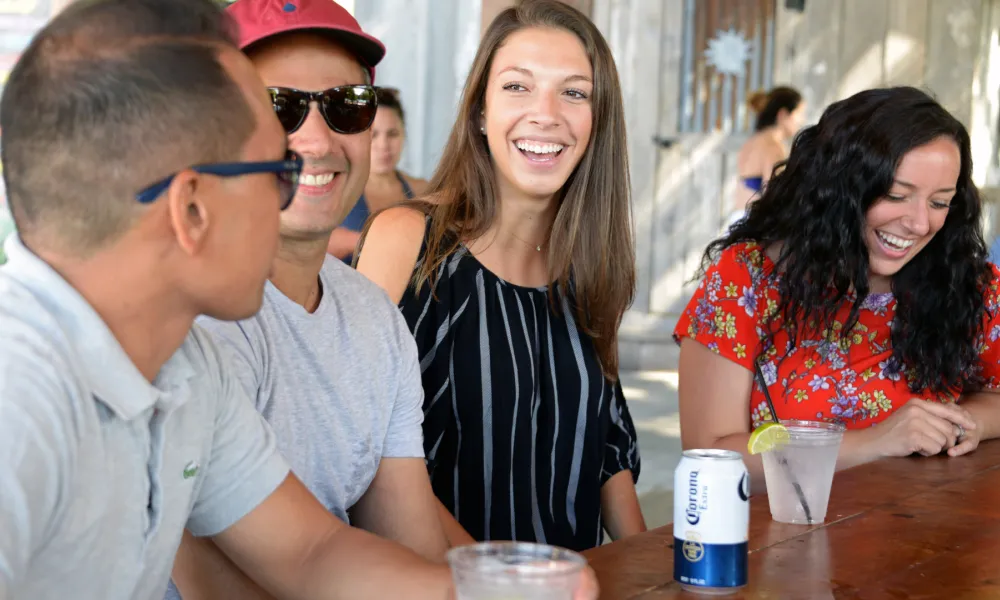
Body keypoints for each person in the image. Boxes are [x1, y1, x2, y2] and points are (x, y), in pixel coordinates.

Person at [0, 0, 457, 597]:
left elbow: (312, 552)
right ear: (191, 208)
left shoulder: (187, 365)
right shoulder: (19, 396)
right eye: (275, 171)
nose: (305, 163)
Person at [167, 1, 453, 597]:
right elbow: (212, 584)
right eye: (279, 106)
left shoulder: (375, 318)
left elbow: (410, 543)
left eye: (346, 105)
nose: (315, 140)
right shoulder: (185, 316)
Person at [357, 0, 646, 552]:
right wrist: (499, 583)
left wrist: (652, 575)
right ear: (481, 112)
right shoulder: (408, 241)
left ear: (598, 120)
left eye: (575, 92)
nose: (547, 113)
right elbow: (366, 456)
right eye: (518, 86)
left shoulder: (591, 266)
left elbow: (609, 448)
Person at [675, 86, 1000, 493]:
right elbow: (711, 457)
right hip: (779, 544)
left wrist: (969, 425)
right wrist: (876, 442)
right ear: (839, 189)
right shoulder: (747, 279)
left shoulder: (966, 284)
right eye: (896, 195)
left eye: (940, 203)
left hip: (926, 540)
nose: (919, 224)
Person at [336, 86, 428, 263]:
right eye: (373, 135)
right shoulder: (336, 186)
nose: (383, 145)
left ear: (404, 136)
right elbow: (314, 247)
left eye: (392, 134)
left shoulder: (423, 190)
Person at [728, 86, 805, 227]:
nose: (801, 120)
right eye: (799, 113)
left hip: (739, 220)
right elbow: (775, 196)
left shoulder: (752, 141)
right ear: (783, 115)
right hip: (755, 225)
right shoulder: (772, 147)